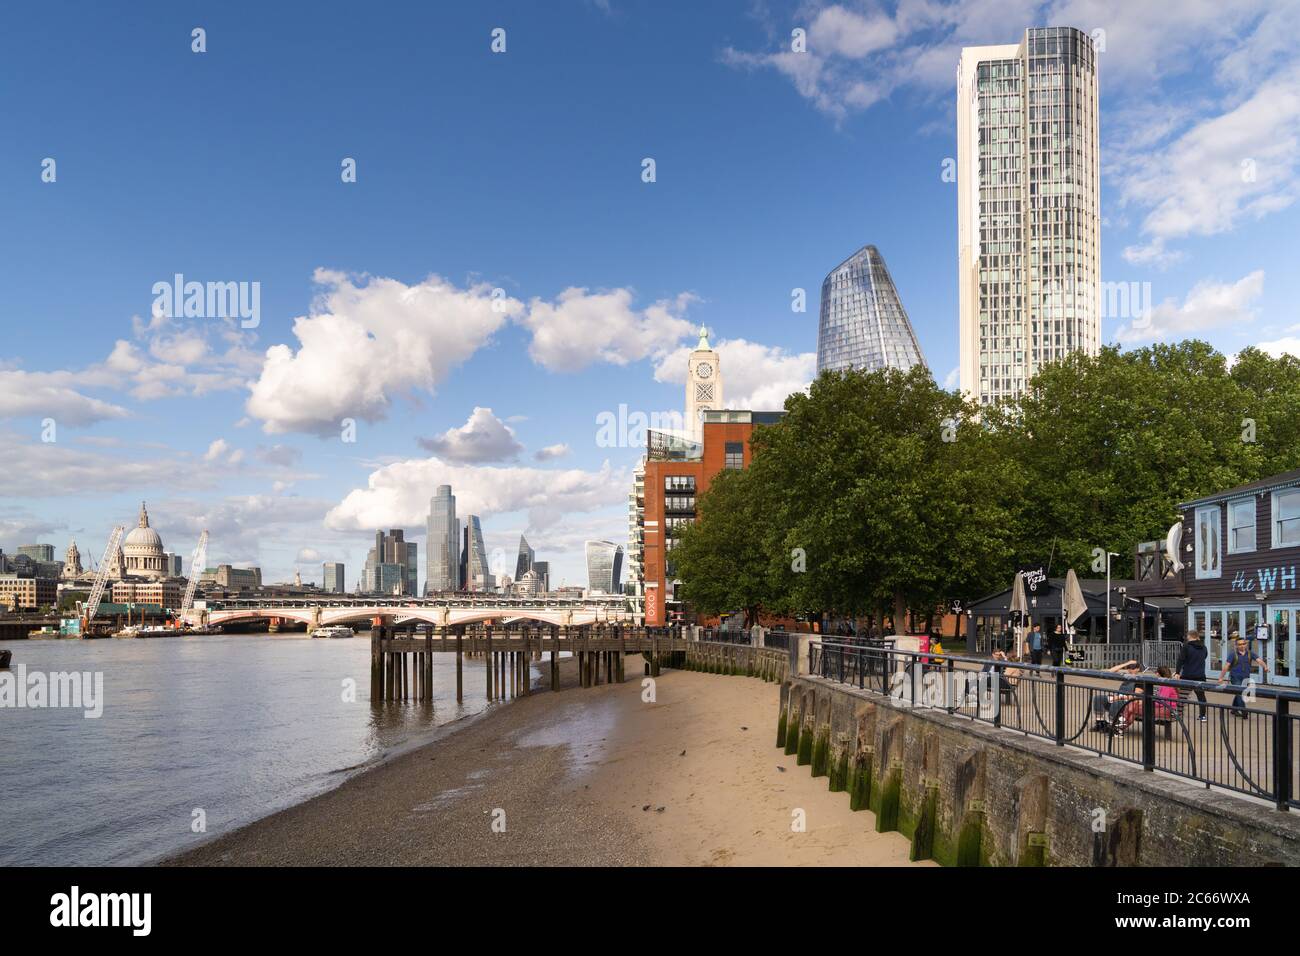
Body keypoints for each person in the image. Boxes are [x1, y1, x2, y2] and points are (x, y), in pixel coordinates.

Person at [1117, 665, 1179, 733]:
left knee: (1133, 706)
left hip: (1166, 710)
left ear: (1158, 674)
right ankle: (1119, 728)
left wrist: (1146, 702)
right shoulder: (1166, 683)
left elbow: (1161, 702)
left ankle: (1118, 726)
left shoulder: (1166, 686)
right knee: (1133, 708)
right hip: (1163, 708)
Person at [1217, 637, 1266, 718]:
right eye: (1239, 644)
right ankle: (1244, 711)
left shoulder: (1250, 653)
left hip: (1246, 678)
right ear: (1236, 646)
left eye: (1243, 644)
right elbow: (1226, 666)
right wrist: (1221, 678)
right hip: (1235, 677)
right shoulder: (1233, 654)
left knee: (1238, 693)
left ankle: (1234, 709)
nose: (1242, 646)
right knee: (1240, 693)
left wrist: (1265, 667)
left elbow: (1259, 660)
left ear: (1246, 644)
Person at [1091, 660, 1141, 732]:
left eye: (1133, 668)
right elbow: (1110, 671)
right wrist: (1127, 663)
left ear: (1138, 669)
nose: (1130, 670)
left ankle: (1111, 726)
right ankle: (1100, 723)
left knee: (1115, 703)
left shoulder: (1140, 680)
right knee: (1098, 699)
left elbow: (1134, 696)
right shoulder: (1125, 676)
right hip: (1117, 699)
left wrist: (1117, 698)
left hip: (1127, 702)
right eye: (1129, 668)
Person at [1174, 629, 1209, 721]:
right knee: (1201, 696)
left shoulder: (1186, 646)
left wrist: (1177, 672)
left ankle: (1178, 714)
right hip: (1200, 675)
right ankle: (1203, 716)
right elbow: (1205, 656)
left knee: (1182, 695)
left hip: (1187, 675)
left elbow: (1180, 660)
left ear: (1189, 636)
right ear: (1197, 636)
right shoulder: (1204, 647)